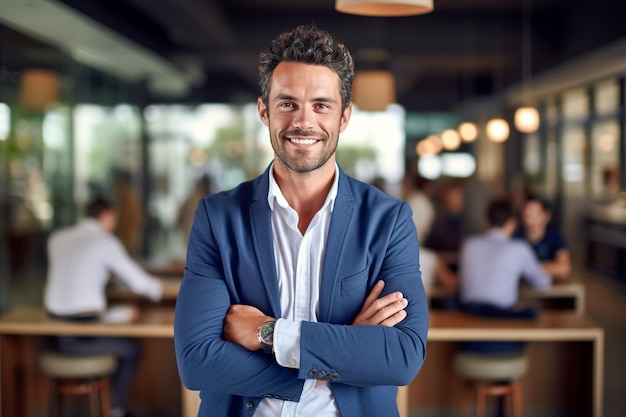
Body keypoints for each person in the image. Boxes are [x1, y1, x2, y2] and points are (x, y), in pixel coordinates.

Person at [174, 24, 428, 417]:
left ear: (344, 117)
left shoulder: (388, 220)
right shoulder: (217, 216)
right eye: (287, 103)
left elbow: (402, 356)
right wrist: (345, 351)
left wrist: (268, 333)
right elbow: (197, 361)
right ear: (264, 111)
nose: (303, 121)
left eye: (321, 105)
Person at [44, 196, 164, 417]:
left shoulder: (57, 238)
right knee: (133, 349)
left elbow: (75, 296)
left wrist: (117, 313)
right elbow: (141, 284)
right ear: (107, 216)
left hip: (51, 335)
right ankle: (116, 410)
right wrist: (157, 288)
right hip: (81, 338)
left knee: (118, 325)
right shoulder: (104, 242)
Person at [458, 199, 552, 352]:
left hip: (469, 332)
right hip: (505, 332)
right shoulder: (519, 248)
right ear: (512, 224)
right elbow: (543, 283)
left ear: (486, 222)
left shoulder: (468, 244)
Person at [514, 194, 571, 282]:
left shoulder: (554, 236)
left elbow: (564, 269)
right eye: (526, 211)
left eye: (533, 212)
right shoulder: (516, 237)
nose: (527, 215)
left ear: (546, 217)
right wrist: (548, 268)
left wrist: (528, 268)